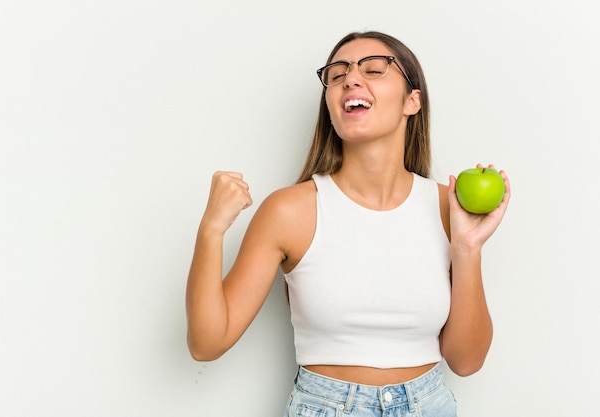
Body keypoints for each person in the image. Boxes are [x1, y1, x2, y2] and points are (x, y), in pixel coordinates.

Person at [186, 31, 511, 417]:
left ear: (413, 101)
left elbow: (466, 361)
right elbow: (207, 343)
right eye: (337, 75)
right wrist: (211, 230)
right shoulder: (289, 211)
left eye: (373, 69)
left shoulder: (448, 207)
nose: (351, 79)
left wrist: (468, 248)